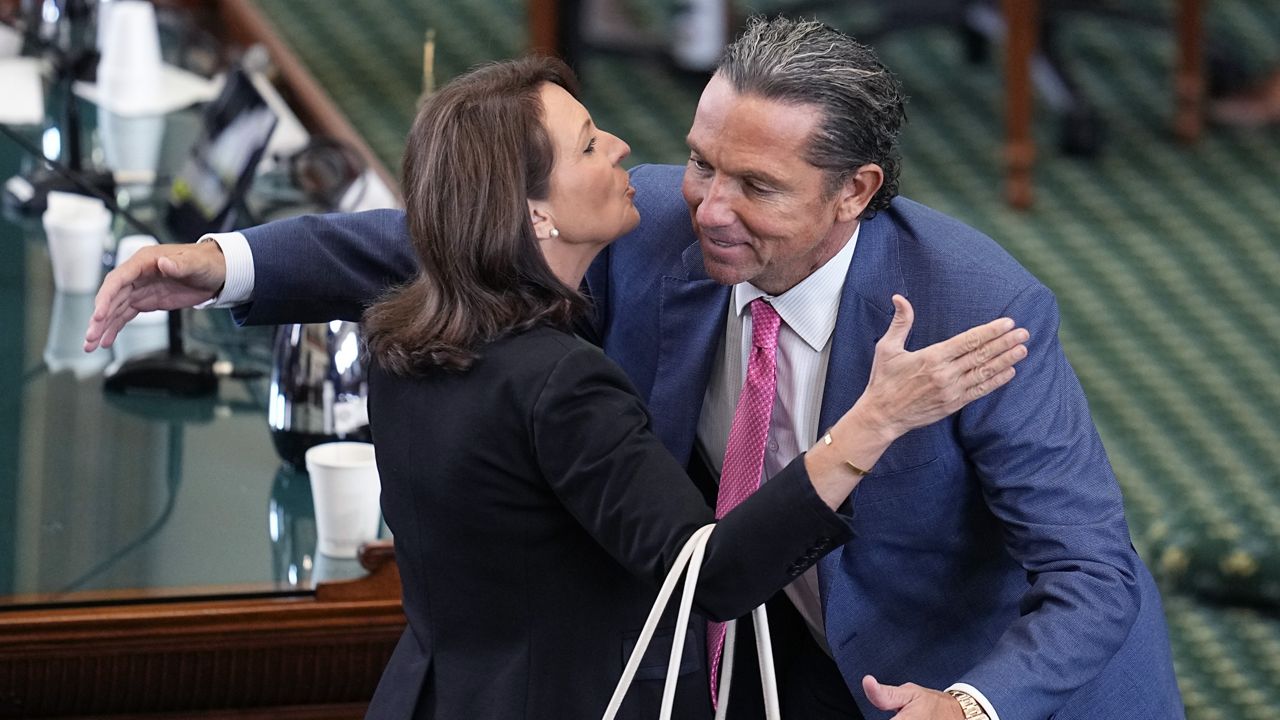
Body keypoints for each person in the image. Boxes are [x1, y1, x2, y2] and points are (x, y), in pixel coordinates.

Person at [86, 16, 1183, 720]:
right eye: (699, 163)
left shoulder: (971, 307)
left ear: (855, 191)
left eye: (754, 187)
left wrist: (973, 706)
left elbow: (1090, 575)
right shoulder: (660, 220)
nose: (706, 206)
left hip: (956, 675)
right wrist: (217, 262)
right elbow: (441, 229)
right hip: (756, 643)